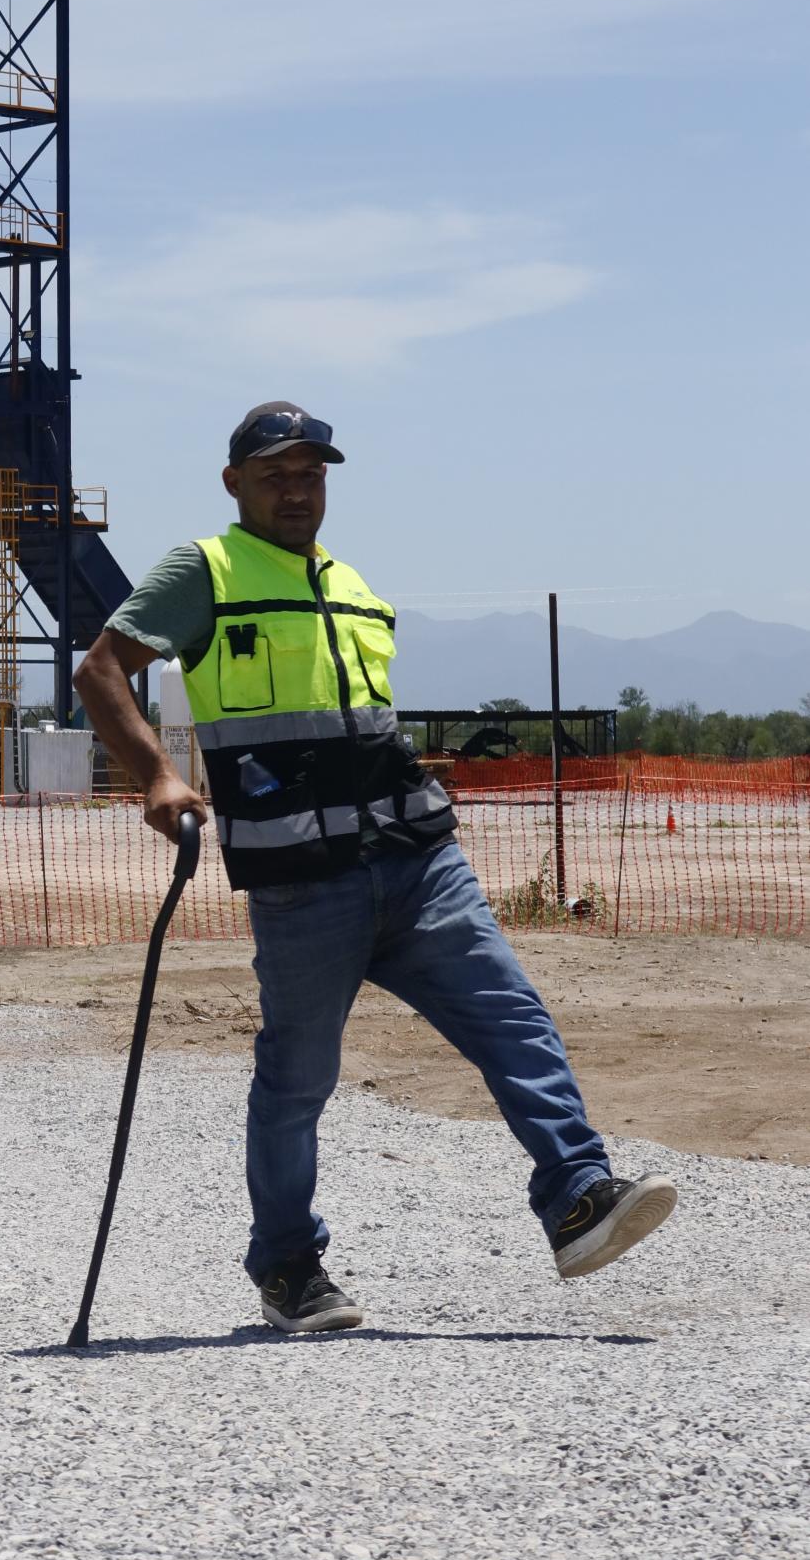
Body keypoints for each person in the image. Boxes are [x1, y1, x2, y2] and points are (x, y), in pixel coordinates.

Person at [73, 401, 677, 1334]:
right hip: (302, 879)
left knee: (513, 1021)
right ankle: (287, 1267)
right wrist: (156, 774)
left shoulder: (350, 584)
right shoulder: (206, 570)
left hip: (417, 862)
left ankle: (576, 1199)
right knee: (298, 1078)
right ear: (234, 483)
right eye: (276, 474)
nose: (297, 489)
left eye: (311, 473)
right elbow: (101, 668)